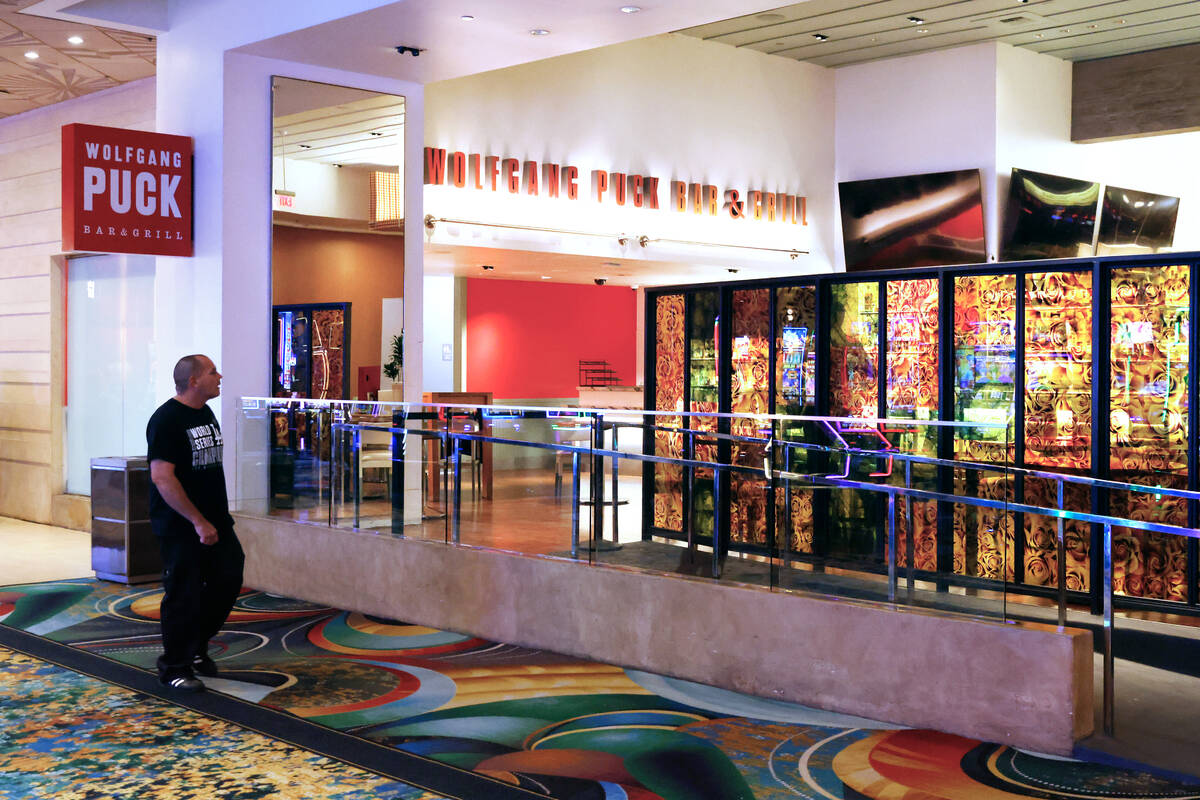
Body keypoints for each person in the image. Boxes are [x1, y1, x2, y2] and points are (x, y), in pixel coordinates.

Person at [147, 354, 245, 692]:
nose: (219, 376)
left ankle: (196, 646)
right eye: (212, 372)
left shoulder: (204, 412)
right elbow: (162, 478)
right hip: (181, 525)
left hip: (215, 519)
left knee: (229, 577)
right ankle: (175, 666)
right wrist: (197, 521)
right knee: (183, 593)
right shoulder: (166, 420)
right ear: (193, 381)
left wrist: (212, 519)